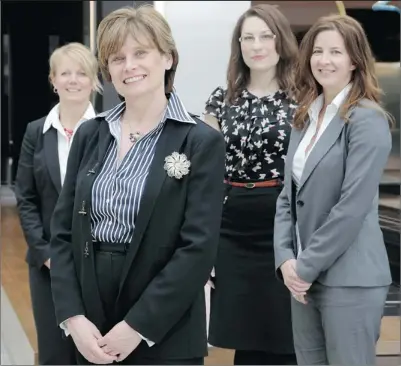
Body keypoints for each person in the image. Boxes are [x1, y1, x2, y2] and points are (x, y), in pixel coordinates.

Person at [49, 5, 225, 366]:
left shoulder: (200, 141)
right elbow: (64, 232)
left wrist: (137, 326)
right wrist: (73, 318)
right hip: (90, 320)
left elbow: (198, 247)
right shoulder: (90, 134)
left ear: (168, 57)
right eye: (117, 58)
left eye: (140, 53)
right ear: (108, 70)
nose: (129, 66)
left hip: (165, 324)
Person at [274, 14, 393, 365]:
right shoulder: (304, 117)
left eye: (335, 52)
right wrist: (285, 260)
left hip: (350, 279)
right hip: (303, 280)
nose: (324, 60)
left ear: (354, 60)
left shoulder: (367, 120)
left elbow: (351, 207)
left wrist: (305, 267)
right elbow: (287, 198)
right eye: (318, 51)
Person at [203, 4, 298, 365]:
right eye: (248, 37)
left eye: (265, 36)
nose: (256, 45)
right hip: (232, 230)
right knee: (245, 334)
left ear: (281, 41)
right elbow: (205, 174)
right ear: (238, 45)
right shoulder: (222, 99)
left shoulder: (304, 96)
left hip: (285, 225)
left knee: (286, 332)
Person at [14, 42, 102, 365]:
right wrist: (45, 252)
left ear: (94, 80)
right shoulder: (36, 132)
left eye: (82, 73)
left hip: (98, 263)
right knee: (53, 353)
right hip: (48, 266)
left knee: (94, 351)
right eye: (65, 73)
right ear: (53, 80)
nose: (73, 80)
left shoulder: (109, 130)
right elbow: (26, 197)